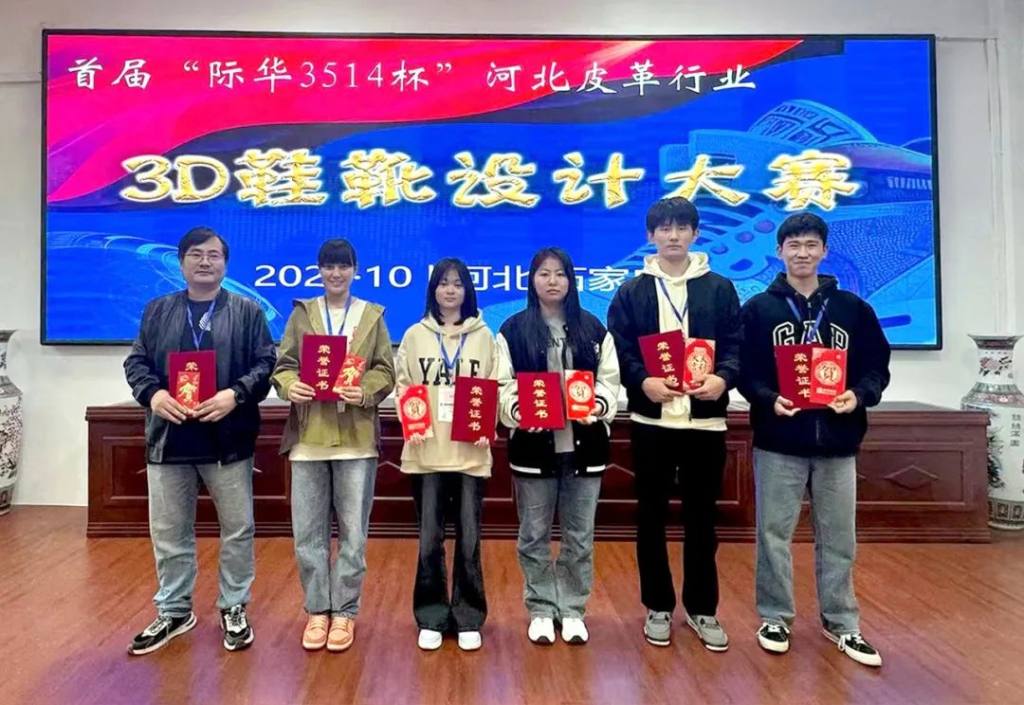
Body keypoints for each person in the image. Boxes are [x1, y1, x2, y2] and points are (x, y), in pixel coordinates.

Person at [738, 212, 890, 667]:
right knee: (773, 534)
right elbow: (744, 370)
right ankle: (774, 617)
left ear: (824, 250)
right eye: (794, 245)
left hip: (838, 441)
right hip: (779, 440)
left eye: (810, 245)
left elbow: (876, 367)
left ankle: (842, 622)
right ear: (779, 251)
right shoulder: (758, 309)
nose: (802, 253)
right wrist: (768, 399)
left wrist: (858, 395)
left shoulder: (853, 309)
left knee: (839, 537)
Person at [124, 226, 276, 655]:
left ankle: (234, 606)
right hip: (169, 438)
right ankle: (174, 610)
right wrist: (154, 396)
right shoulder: (157, 310)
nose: (205, 261)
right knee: (170, 531)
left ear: (225, 264)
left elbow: (266, 363)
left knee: (238, 529)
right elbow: (136, 362)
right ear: (181, 262)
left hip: (227, 438)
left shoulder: (247, 311)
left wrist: (235, 395)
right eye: (196, 254)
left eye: (213, 255)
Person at [607, 196, 741, 651]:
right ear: (651, 235)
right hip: (652, 421)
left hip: (705, 424)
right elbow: (620, 348)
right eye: (664, 228)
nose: (673, 235)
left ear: (695, 234)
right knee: (651, 517)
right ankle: (658, 606)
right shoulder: (632, 291)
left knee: (703, 520)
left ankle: (703, 609)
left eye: (682, 227)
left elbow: (736, 345)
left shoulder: (719, 288)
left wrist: (723, 378)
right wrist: (642, 381)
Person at [271, 238, 395, 652]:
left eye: (343, 266)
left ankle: (344, 611)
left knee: (353, 535)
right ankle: (316, 611)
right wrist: (291, 386)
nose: (336, 273)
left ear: (355, 270)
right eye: (329, 266)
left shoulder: (371, 315)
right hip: (308, 438)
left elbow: (385, 371)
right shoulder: (302, 313)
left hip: (356, 440)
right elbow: (284, 366)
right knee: (308, 534)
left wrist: (365, 390)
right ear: (319, 270)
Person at [497, 247, 620, 645]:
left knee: (579, 536)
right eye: (544, 274)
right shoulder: (513, 330)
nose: (552, 281)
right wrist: (520, 411)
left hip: (585, 446)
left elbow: (610, 381)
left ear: (571, 280)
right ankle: (540, 608)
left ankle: (572, 609)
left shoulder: (593, 328)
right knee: (534, 534)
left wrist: (597, 405)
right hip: (534, 448)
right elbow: (502, 384)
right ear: (531, 280)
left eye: (560, 274)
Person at [395, 258, 497, 652]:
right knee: (429, 540)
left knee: (469, 540)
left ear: (468, 290)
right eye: (443, 283)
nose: (450, 290)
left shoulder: (485, 337)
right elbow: (404, 386)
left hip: (470, 454)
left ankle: (468, 615)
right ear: (433, 290)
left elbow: (495, 385)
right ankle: (432, 615)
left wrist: (488, 422)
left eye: (457, 283)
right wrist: (412, 419)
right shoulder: (414, 335)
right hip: (427, 454)